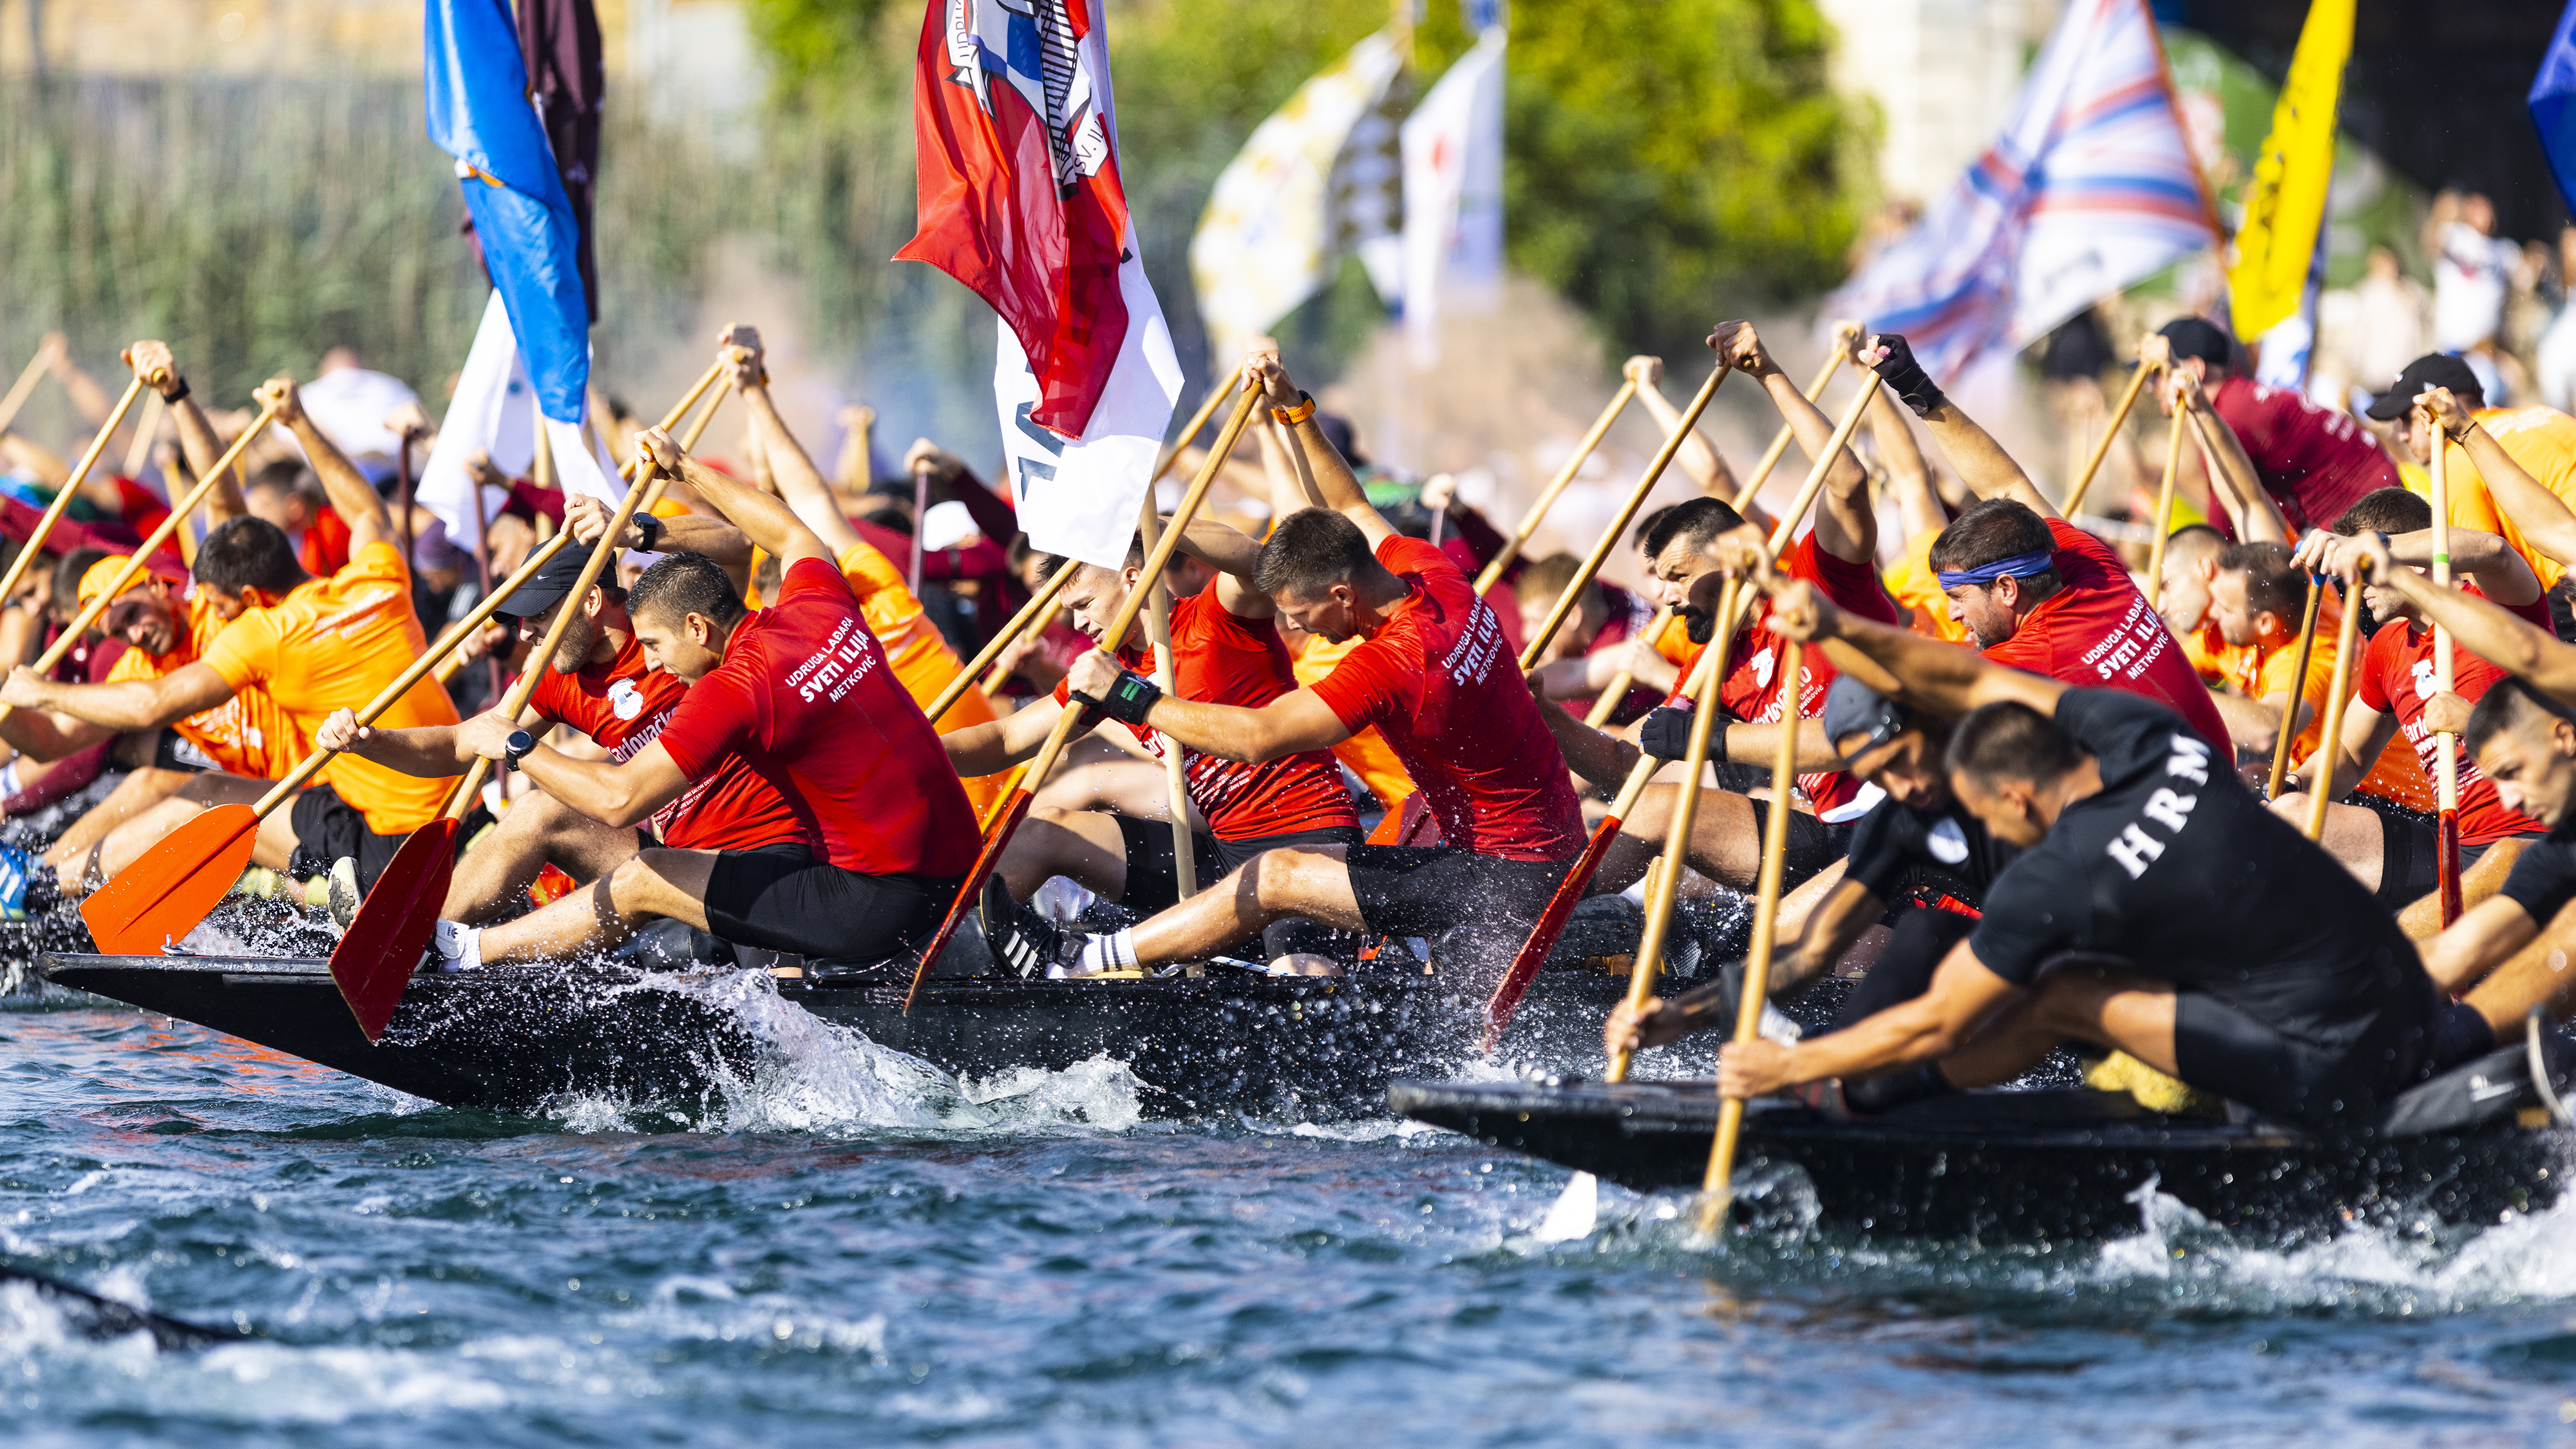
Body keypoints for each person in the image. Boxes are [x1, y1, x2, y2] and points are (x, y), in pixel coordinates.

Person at [1691, 569, 2453, 1132]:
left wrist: (1798, 1066)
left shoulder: (2061, 875)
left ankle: (1857, 1108)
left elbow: (1938, 1025)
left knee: (2059, 992)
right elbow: (1966, 675)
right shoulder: (2148, 737)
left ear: (2015, 798)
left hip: (2340, 1069)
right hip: (2411, 1006)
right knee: (2096, 968)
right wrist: (1834, 628)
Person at [1016, 348, 1588, 982]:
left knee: (1279, 876)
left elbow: (1258, 738)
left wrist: (1133, 698)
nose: (1289, 626)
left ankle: (1081, 965)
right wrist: (1292, 405)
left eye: (1298, 611)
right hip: (1503, 847)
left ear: (1342, 595)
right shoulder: (1429, 572)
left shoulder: (1393, 663)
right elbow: (1347, 500)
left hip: (1505, 877)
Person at [406, 422, 978, 971]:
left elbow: (619, 801)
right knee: (583, 834)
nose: (651, 659)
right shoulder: (817, 606)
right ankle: (428, 937)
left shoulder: (735, 688)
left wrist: (517, 744)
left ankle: (465, 954)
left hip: (876, 900)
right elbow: (791, 532)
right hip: (956, 864)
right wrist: (683, 469)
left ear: (699, 629)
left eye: (655, 643)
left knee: (643, 876)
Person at [1, 374, 460, 897]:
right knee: (161, 779)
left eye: (131, 615)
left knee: (193, 789)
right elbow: (48, 740)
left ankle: (41, 888)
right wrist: (11, 705)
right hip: (317, 797)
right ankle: (37, 888)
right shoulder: (376, 576)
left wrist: (177, 396)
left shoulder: (239, 624)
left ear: (157, 585)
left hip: (323, 790)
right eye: (117, 633)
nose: (133, 635)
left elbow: (219, 492)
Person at [313, 524, 800, 928]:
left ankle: (420, 937)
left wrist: (640, 531)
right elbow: (462, 746)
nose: (524, 633)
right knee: (536, 812)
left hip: (761, 855)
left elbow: (738, 548)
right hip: (676, 854)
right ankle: (414, 934)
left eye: (538, 614)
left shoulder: (676, 635)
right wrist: (369, 741)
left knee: (549, 803)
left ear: (589, 601)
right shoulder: (553, 676)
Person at [959, 518, 1362, 973]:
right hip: (1222, 853)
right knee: (1040, 833)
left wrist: (1139, 516)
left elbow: (1257, 561)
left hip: (1310, 842)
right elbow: (1007, 737)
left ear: (1134, 580)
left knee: (1302, 976)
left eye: (1085, 603)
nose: (1078, 623)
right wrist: (913, 749)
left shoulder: (1216, 617)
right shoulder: (1110, 672)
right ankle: (967, 959)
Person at [1604, 676, 2018, 1105]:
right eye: (1879, 776)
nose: (1903, 787)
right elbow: (1811, 951)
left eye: (1902, 759)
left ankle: (1825, 1071)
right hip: (2020, 955)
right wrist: (1682, 1014)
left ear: (1933, 724)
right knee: (1922, 934)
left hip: (2078, 941)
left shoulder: (2016, 752)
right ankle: (1850, 1089)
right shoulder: (1905, 822)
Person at [1863, 334, 2234, 755]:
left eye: (1958, 596)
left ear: (2007, 588)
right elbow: (2006, 484)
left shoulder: (2026, 662)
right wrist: (1917, 387)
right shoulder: (2091, 564)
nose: (1951, 611)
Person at [714, 327, 1010, 815]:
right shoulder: (772, 643)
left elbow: (808, 497)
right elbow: (791, 500)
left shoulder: (877, 590)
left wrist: (752, 389)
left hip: (1003, 815)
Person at [2278, 500, 2548, 934]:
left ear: (2415, 562)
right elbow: (2348, 752)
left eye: (2365, 570)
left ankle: (2389, 951)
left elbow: (2494, 551)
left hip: (2532, 834)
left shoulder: (2495, 606)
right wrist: (2292, 786)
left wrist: (2378, 547)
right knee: (2288, 816)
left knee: (2504, 863)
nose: (2358, 587)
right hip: (2452, 845)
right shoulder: (2386, 647)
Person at [2141, 317, 2399, 535]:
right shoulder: (2237, 398)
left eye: (2156, 374)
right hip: (2368, 499)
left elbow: (2225, 528)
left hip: (2368, 511)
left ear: (2195, 370)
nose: (2150, 387)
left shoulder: (2230, 417)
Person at [2362, 357, 2576, 595]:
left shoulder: (2457, 458)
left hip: (2569, 581)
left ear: (2442, 404)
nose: (2402, 435)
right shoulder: (2545, 413)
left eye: (2407, 419)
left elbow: (2487, 579)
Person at [1513, 552, 1674, 726]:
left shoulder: (1622, 651)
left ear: (1573, 617)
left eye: (1536, 621)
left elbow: (1571, 676)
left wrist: (1506, 680)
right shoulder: (1601, 592)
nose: (1526, 635)